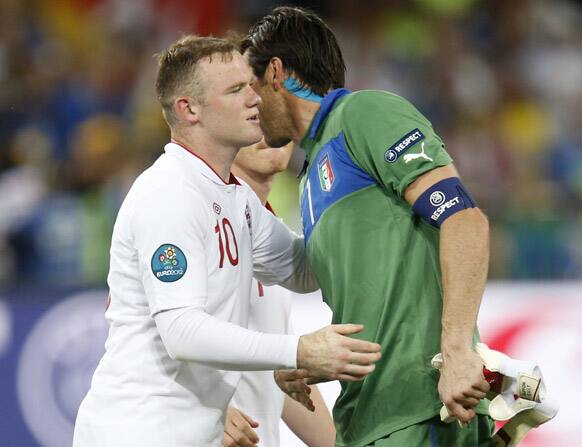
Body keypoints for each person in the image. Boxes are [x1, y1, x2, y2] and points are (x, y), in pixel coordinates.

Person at [73, 35, 381, 447]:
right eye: (236, 90)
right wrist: (298, 350)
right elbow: (181, 330)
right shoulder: (171, 192)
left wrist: (362, 202)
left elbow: (304, 270)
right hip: (139, 431)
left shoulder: (234, 196)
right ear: (189, 109)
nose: (255, 99)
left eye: (250, 86)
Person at [241, 7, 492, 446]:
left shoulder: (364, 114)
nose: (247, 104)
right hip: (366, 421)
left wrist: (456, 351)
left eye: (249, 86)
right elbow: (367, 290)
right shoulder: (310, 175)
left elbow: (464, 220)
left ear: (276, 72)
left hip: (420, 409)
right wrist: (302, 359)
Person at [222, 140, 336, 447]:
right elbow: (151, 339)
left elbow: (279, 375)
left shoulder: (269, 234)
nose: (265, 134)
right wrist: (207, 412)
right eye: (251, 116)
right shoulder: (197, 215)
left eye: (268, 117)